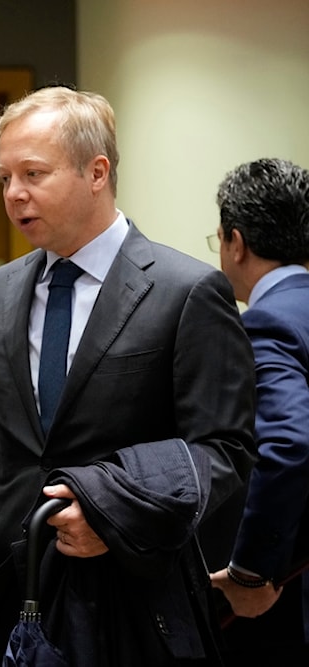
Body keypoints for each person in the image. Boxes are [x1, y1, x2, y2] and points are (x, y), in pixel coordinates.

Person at [0, 86, 257, 666]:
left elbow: (225, 451)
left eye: (34, 174)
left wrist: (114, 517)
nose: (14, 194)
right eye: (4, 177)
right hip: (7, 587)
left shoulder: (185, 291)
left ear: (97, 172)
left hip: (132, 595)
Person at [206, 158, 309, 665]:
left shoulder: (269, 325)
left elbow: (289, 444)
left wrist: (250, 570)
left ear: (236, 242)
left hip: (292, 600)